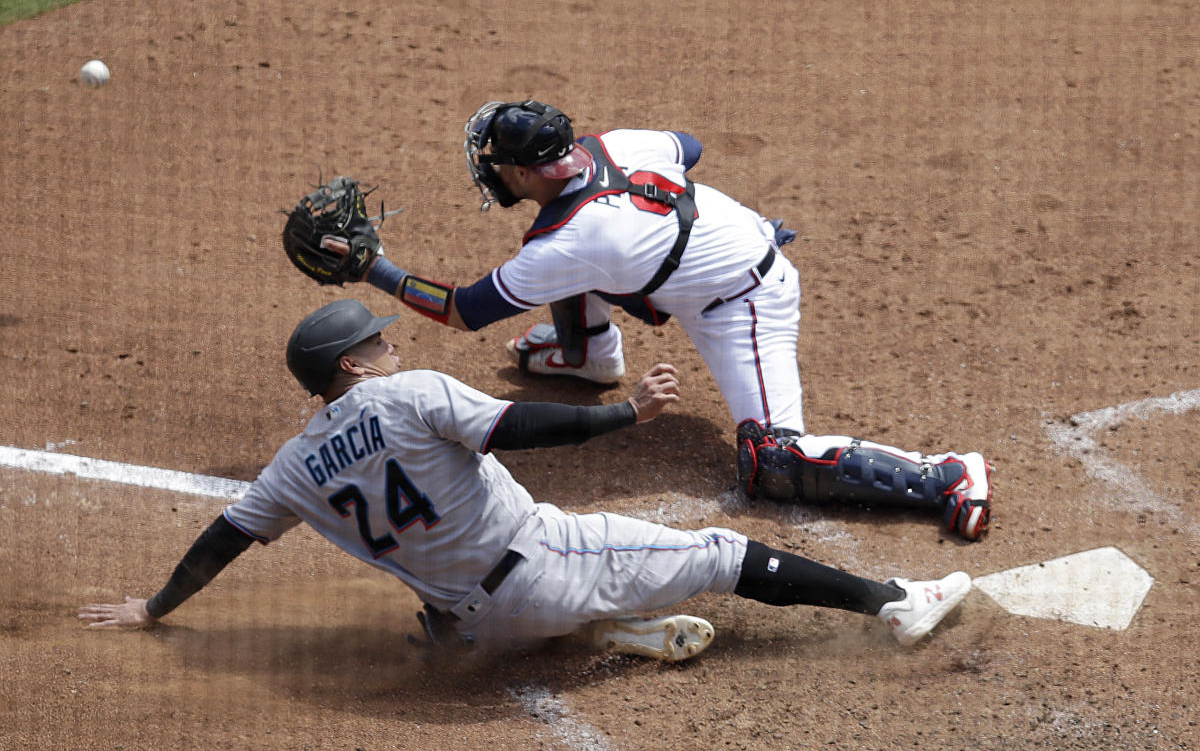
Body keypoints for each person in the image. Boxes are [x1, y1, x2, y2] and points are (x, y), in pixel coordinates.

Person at [78, 299, 971, 660]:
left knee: (457, 586)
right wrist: (625, 414)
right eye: (377, 342)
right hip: (542, 563)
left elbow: (224, 539)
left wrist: (156, 608)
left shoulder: (289, 469)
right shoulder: (409, 393)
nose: (394, 346)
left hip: (468, 628)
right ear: (351, 368)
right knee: (720, 551)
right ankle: (894, 602)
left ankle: (605, 626)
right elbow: (523, 426)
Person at [310, 100, 994, 541]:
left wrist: (375, 267)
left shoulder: (571, 243)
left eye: (498, 165)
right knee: (583, 265)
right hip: (724, 249)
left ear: (530, 170)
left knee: (771, 463)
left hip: (744, 305)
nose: (490, 173)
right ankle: (587, 356)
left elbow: (463, 311)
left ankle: (947, 474)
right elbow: (687, 148)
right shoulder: (612, 145)